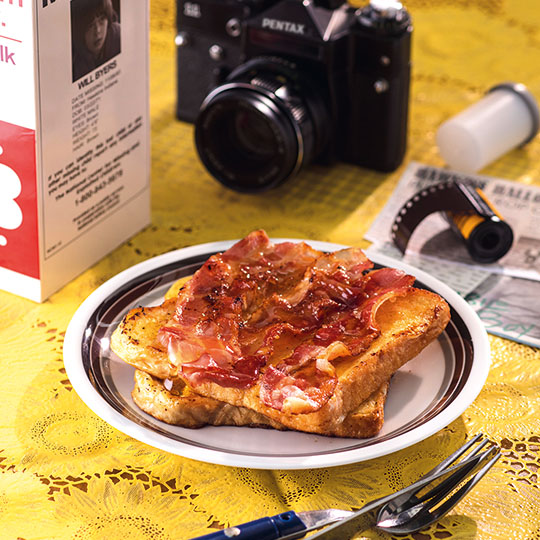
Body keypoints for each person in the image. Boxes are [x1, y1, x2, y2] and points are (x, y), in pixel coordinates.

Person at [71, 0, 121, 82]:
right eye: (90, 25)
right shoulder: (73, 61)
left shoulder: (119, 37)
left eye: (102, 20)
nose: (97, 31)